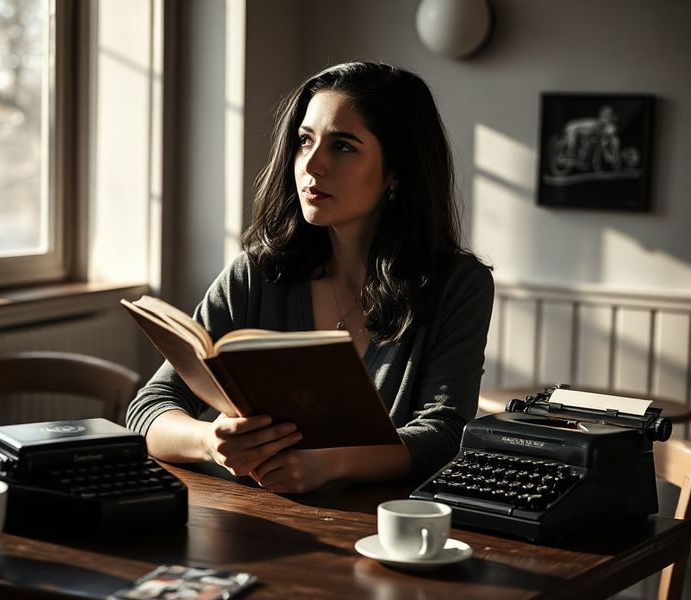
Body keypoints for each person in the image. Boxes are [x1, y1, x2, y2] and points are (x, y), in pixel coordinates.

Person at [126, 61, 494, 493]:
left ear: (397, 170)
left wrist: (331, 464)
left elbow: (446, 434)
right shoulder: (256, 273)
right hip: (261, 524)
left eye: (342, 146)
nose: (311, 165)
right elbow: (148, 408)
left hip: (383, 533)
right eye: (305, 141)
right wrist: (210, 441)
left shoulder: (458, 284)